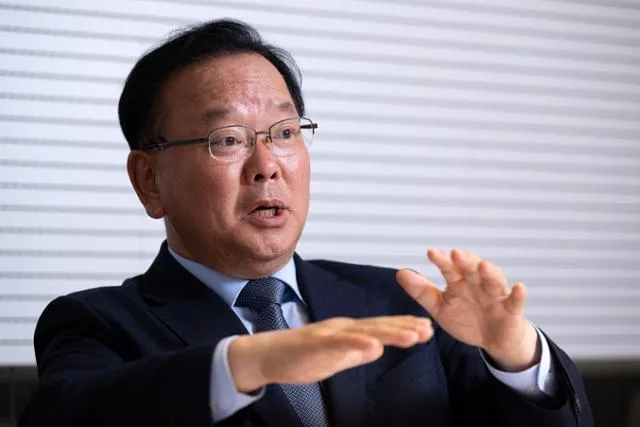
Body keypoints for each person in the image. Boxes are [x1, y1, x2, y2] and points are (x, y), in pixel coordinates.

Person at [18, 18, 593, 427]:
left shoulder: (403, 302)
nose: (267, 165)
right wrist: (251, 362)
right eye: (228, 139)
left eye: (285, 132)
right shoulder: (98, 323)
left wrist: (516, 356)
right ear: (149, 180)